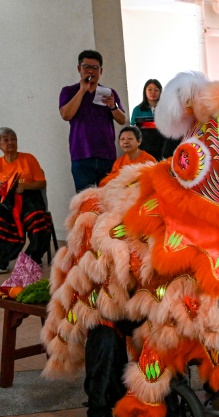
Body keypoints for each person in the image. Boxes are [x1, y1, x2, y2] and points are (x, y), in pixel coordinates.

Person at [59, 50, 127, 192]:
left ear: (101, 70)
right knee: (85, 201)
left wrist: (112, 106)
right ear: (79, 69)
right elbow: (66, 115)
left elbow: (122, 120)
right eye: (86, 67)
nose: (90, 71)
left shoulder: (109, 93)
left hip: (106, 155)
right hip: (81, 154)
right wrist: (82, 91)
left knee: (109, 199)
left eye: (95, 68)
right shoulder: (69, 91)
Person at [0, 128, 52, 272]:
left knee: (36, 219)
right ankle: (2, 259)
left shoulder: (28, 159)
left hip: (30, 201)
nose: (10, 142)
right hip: (8, 206)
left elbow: (42, 183)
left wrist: (25, 186)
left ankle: (34, 257)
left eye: (13, 139)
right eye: (5, 140)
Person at [130, 79, 165, 160]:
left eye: (156, 90)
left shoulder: (165, 110)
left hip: (162, 147)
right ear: (145, 91)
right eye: (150, 89)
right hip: (144, 147)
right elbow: (133, 129)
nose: (153, 92)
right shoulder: (137, 109)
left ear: (160, 92)